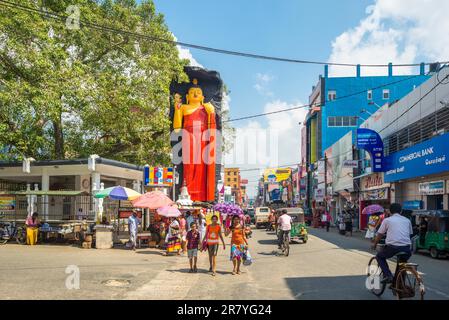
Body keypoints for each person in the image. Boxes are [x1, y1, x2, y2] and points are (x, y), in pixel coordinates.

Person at [371, 203, 413, 284]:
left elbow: (380, 234)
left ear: (390, 211)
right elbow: (410, 233)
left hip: (393, 248)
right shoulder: (407, 220)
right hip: (407, 248)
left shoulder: (387, 220)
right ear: (401, 211)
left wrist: (374, 244)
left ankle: (388, 276)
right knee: (402, 264)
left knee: (379, 256)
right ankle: (399, 285)